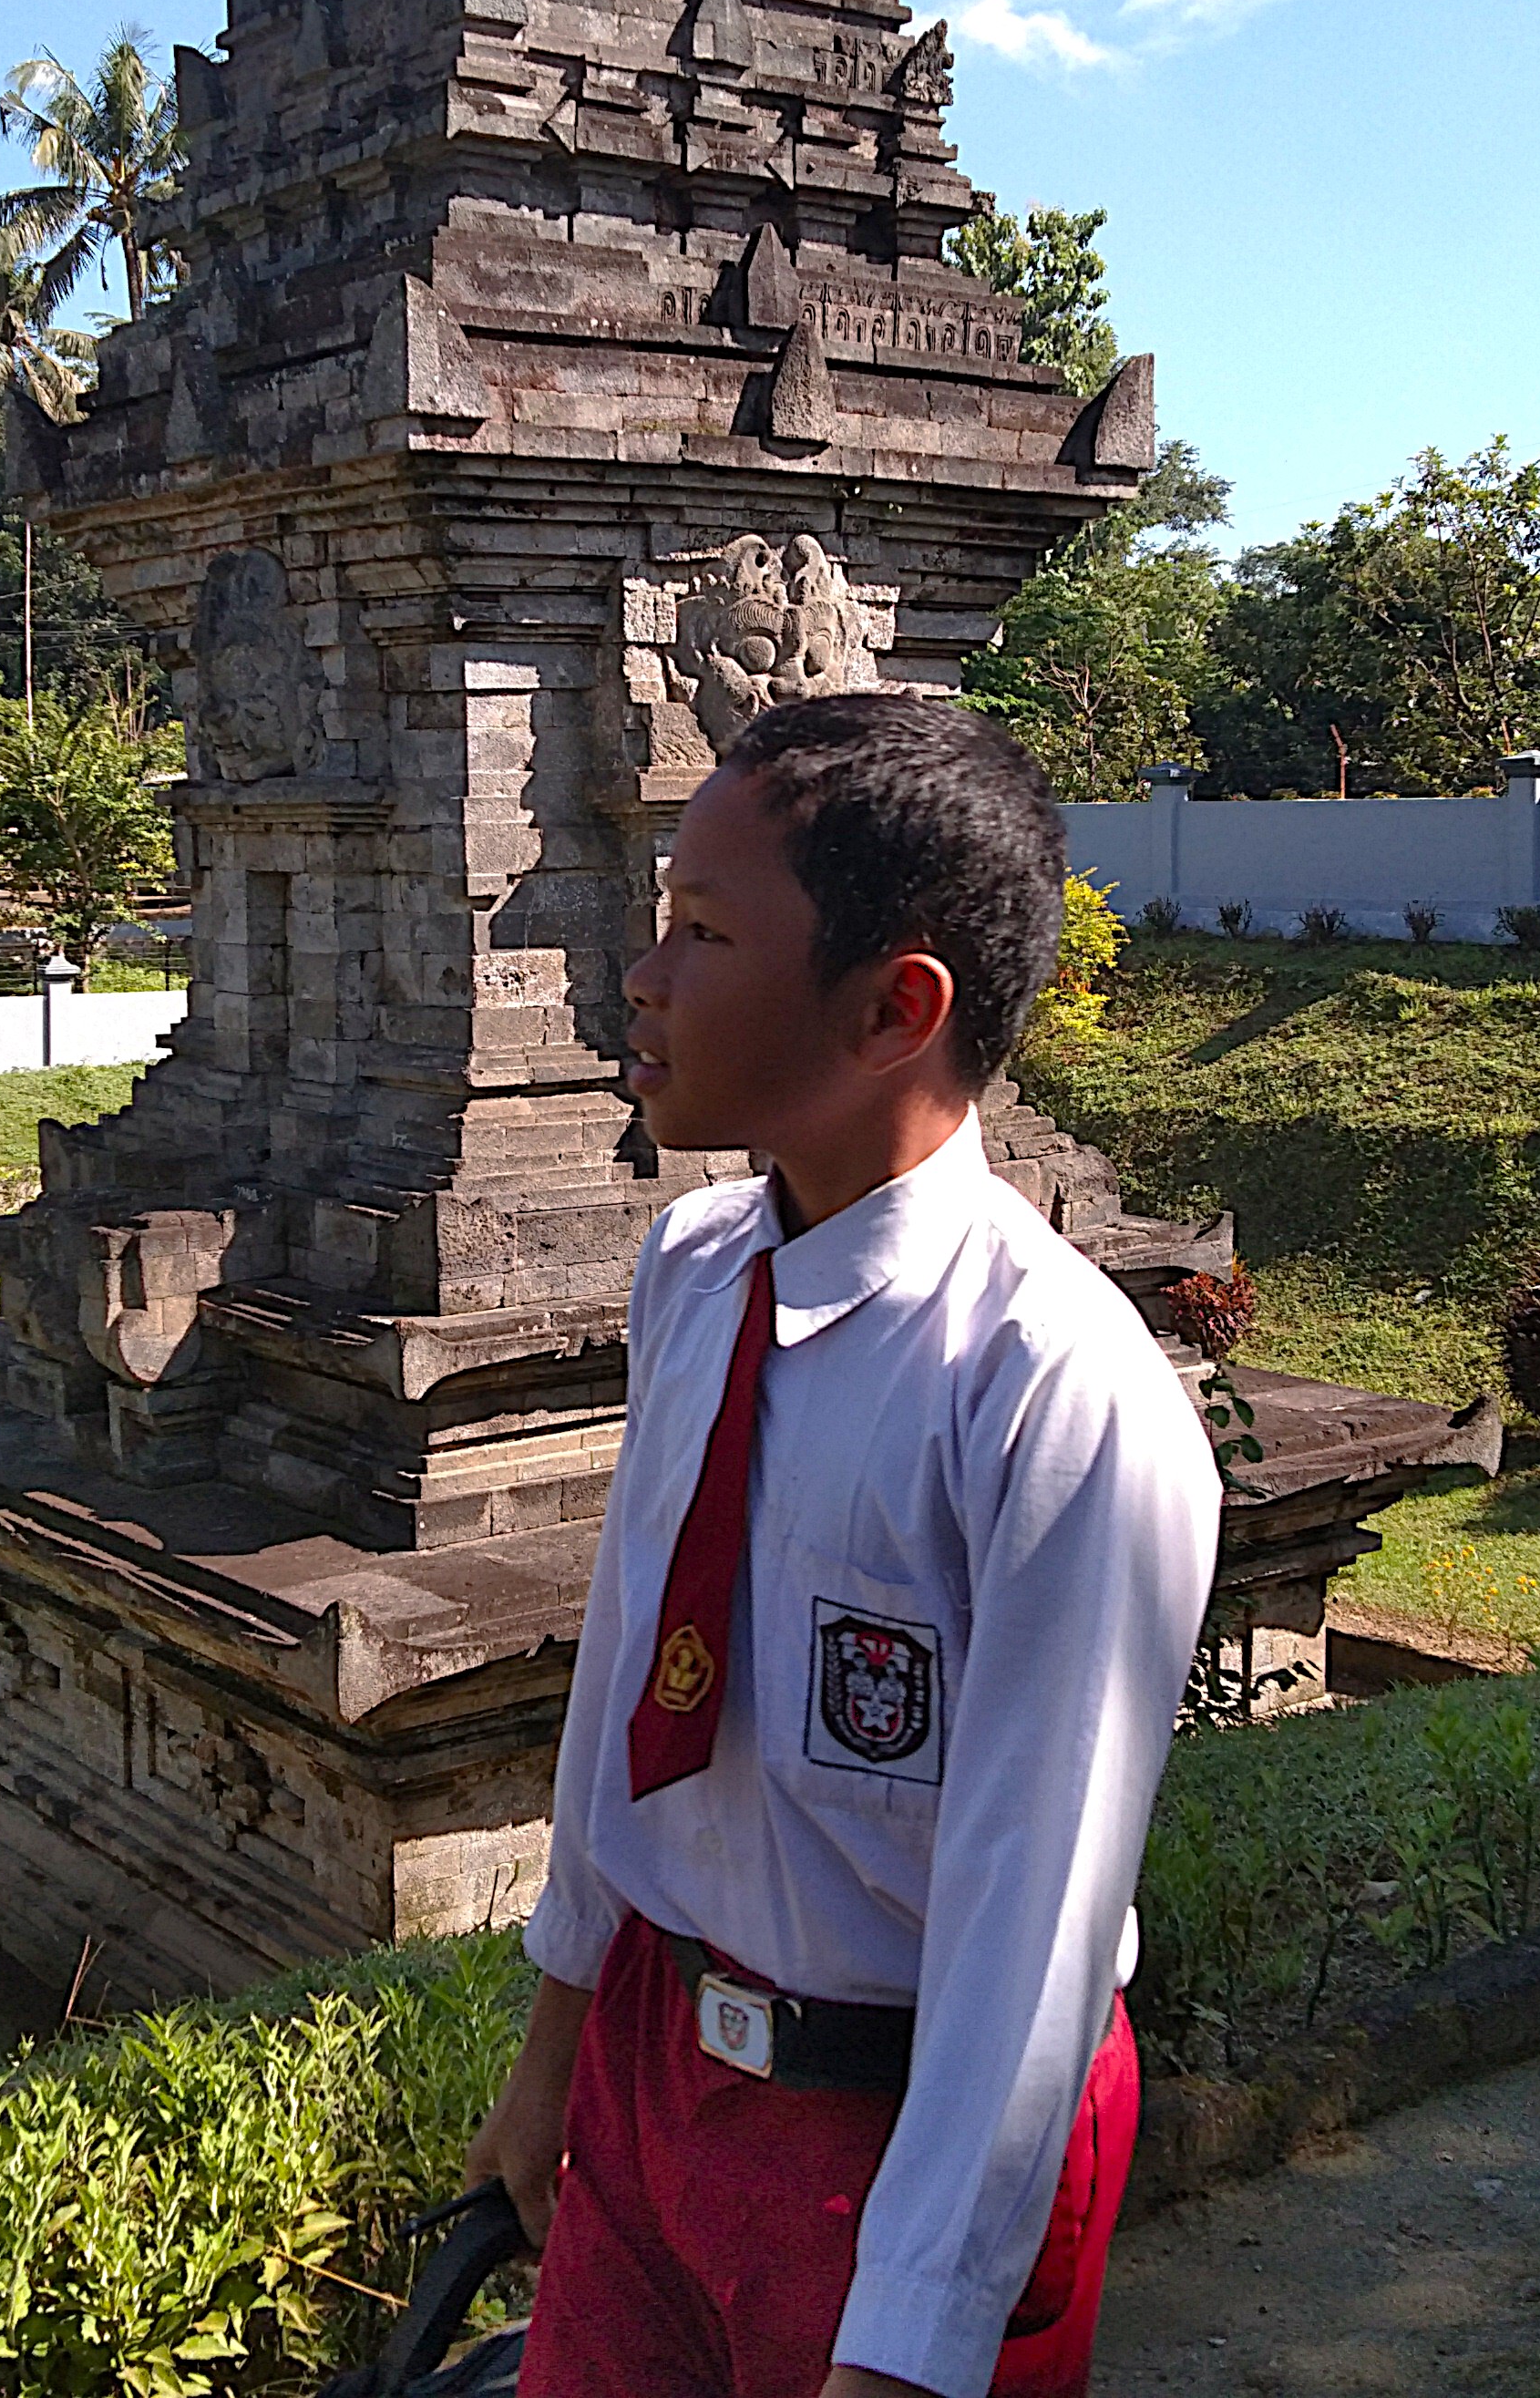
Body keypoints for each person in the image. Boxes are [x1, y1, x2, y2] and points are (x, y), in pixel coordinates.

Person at [467, 691, 1222, 2398]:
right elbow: (627, 1686)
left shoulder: (1052, 1397)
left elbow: (1031, 1941)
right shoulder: (696, 1272)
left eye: (703, 933)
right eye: (660, 919)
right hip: (664, 2061)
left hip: (892, 2118)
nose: (641, 981)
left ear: (896, 1007)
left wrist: (905, 2343)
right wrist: (558, 2049)